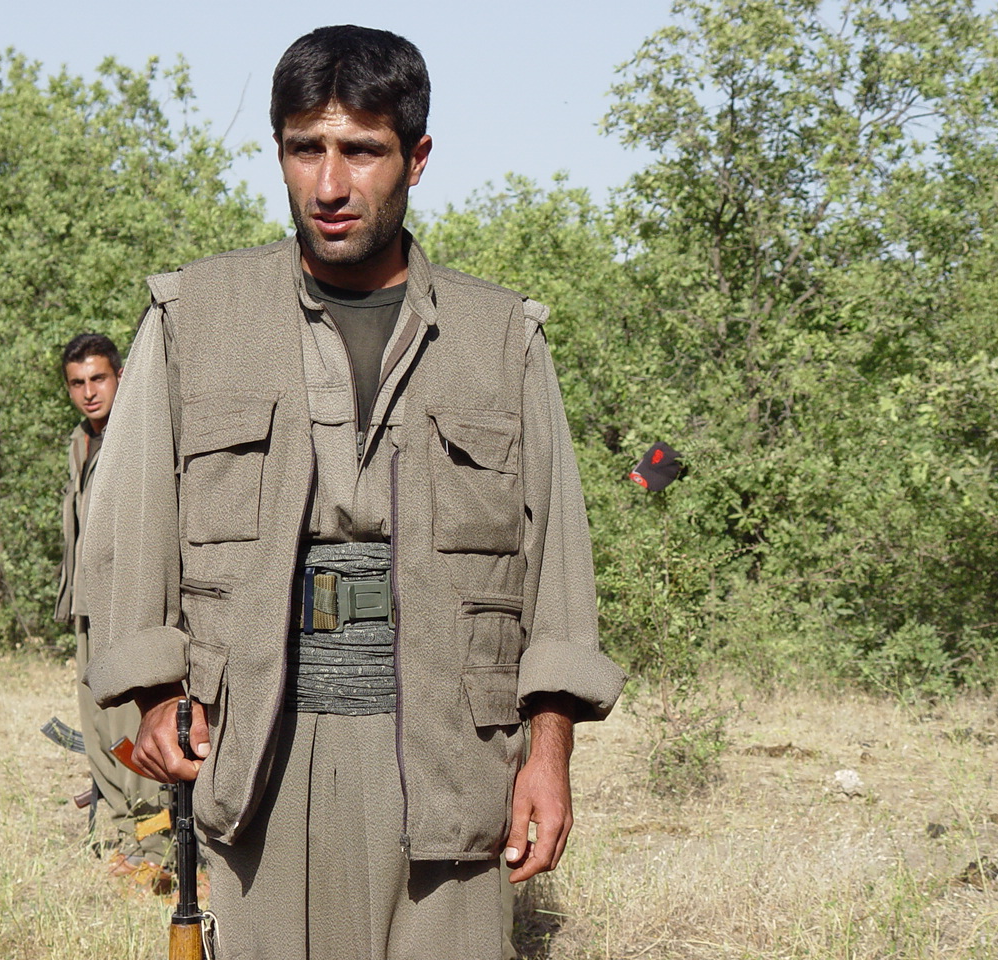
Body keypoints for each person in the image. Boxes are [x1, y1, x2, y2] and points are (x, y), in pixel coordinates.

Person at [82, 25, 626, 960]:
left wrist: (550, 750)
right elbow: (129, 529)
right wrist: (154, 696)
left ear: (417, 156)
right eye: (306, 149)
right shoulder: (194, 318)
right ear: (280, 151)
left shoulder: (501, 337)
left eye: (362, 151)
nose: (329, 185)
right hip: (256, 750)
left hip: (451, 756)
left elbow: (558, 570)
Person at [55, 333, 169, 887]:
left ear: (120, 376)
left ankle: (157, 848)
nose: (89, 392)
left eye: (98, 378)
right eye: (77, 383)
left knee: (133, 725)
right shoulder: (81, 443)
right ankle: (125, 836)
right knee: (99, 730)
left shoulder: (140, 434)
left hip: (126, 602)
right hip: (87, 605)